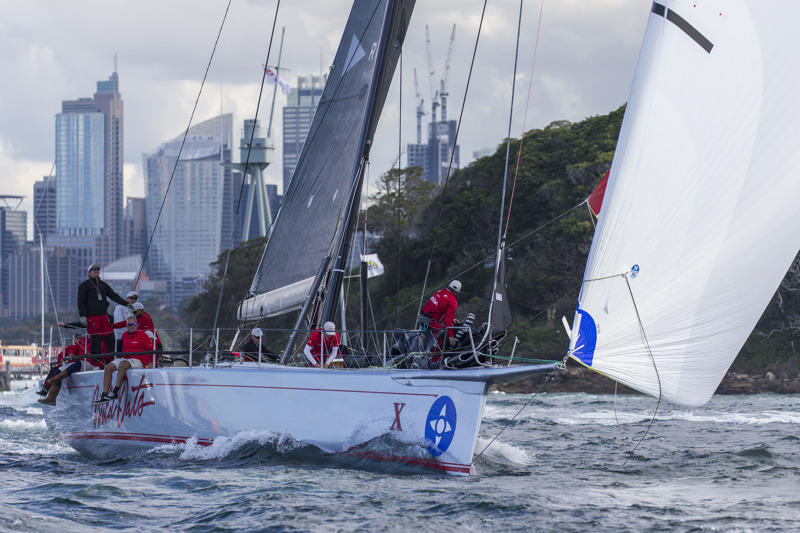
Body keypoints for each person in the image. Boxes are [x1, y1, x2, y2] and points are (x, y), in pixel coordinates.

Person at [92, 317, 153, 405]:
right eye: (130, 324)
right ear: (127, 326)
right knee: (108, 367)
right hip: (125, 358)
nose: (132, 326)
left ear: (137, 325)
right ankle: (104, 395)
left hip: (138, 359)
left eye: (134, 324)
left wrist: (150, 363)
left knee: (123, 364)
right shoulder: (124, 335)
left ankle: (115, 392)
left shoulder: (143, 335)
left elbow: (151, 349)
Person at [77, 264, 130, 356]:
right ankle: (96, 362)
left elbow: (114, 296)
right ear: (89, 273)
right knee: (96, 341)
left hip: (104, 316)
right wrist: (82, 316)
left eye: (97, 269)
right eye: (93, 269)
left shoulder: (103, 285)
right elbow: (80, 301)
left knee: (111, 338)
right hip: (92, 317)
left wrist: (126, 304)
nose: (96, 270)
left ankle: (109, 360)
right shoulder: (84, 285)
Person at [38, 333, 102, 406]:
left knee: (78, 363)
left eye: (78, 338)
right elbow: (70, 351)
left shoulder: (99, 340)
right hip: (75, 363)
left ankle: (52, 381)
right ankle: (51, 398)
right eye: (76, 338)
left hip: (90, 363)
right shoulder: (82, 340)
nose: (77, 339)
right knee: (57, 371)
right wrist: (71, 354)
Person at [418, 280, 461, 349]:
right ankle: (433, 355)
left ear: (448, 286)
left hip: (421, 318)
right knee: (445, 338)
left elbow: (437, 310)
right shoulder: (452, 301)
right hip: (428, 322)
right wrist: (451, 337)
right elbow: (448, 320)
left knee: (443, 327)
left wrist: (452, 320)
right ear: (458, 292)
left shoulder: (440, 291)